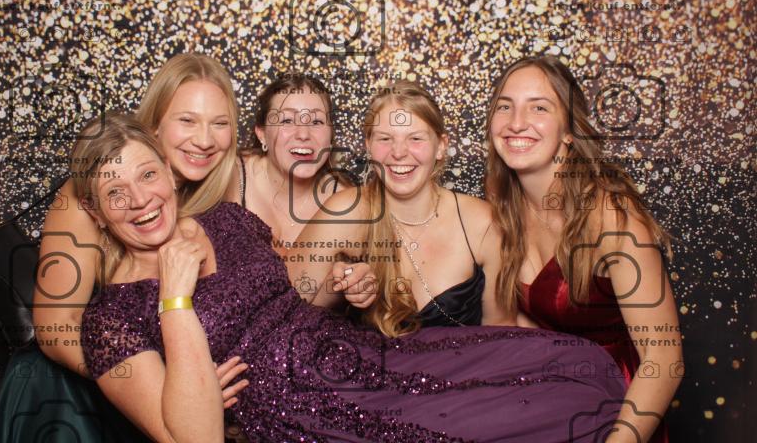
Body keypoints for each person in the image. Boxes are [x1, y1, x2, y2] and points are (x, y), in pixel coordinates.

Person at [78, 114, 626, 441]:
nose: (140, 199)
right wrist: (176, 304)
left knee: (577, 366)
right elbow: (195, 437)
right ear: (97, 214)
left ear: (169, 174)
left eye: (147, 174)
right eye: (115, 193)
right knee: (534, 420)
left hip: (368, 357)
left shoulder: (228, 220)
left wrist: (349, 281)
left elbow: (298, 293)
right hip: (312, 417)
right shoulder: (109, 318)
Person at [0, 54, 249, 442]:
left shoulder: (223, 184)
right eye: (187, 121)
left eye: (220, 124)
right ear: (154, 125)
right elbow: (56, 327)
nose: (205, 139)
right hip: (74, 389)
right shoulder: (82, 197)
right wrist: (162, 383)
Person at [484, 55, 682, 442]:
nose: (516, 122)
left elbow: (664, 359)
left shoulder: (612, 218)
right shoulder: (501, 203)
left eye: (539, 108)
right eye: (504, 106)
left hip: (618, 410)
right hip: (548, 404)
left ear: (569, 132)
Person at [287, 80, 511, 332]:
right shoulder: (344, 212)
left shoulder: (483, 222)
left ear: (441, 146)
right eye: (385, 138)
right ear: (368, 146)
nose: (399, 152)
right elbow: (282, 311)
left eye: (415, 138)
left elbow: (501, 333)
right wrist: (336, 288)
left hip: (468, 358)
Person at [236, 73, 345, 250]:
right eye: (287, 120)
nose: (303, 134)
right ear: (262, 133)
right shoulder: (230, 177)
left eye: (316, 121)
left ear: (331, 136)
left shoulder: (346, 202)